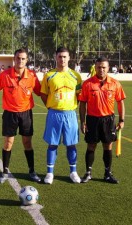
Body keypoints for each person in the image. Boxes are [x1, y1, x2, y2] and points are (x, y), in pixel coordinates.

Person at [0, 48, 41, 184]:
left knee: (27, 142)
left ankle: (32, 171)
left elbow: (40, 92)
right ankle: (5, 171)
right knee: (8, 143)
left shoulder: (32, 76)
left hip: (26, 113)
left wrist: (51, 105)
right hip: (9, 114)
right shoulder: (5, 75)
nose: (20, 61)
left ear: (26, 60)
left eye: (23, 59)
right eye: (17, 58)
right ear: (14, 59)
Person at [78, 56, 126, 184]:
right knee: (91, 146)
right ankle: (88, 173)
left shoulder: (115, 83)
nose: (101, 70)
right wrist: (82, 122)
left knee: (107, 146)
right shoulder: (87, 83)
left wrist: (122, 120)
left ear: (108, 68)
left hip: (108, 120)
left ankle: (107, 173)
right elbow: (82, 104)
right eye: (99, 67)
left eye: (104, 67)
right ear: (95, 67)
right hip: (92, 119)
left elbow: (120, 103)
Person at [40, 47, 82, 184]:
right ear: (55, 57)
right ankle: (49, 173)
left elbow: (79, 95)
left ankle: (73, 172)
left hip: (70, 114)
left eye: (64, 57)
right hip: (54, 114)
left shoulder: (76, 76)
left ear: (69, 58)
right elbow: (43, 94)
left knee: (71, 144)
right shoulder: (49, 75)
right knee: (52, 144)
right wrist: (52, 106)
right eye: (59, 57)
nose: (62, 59)